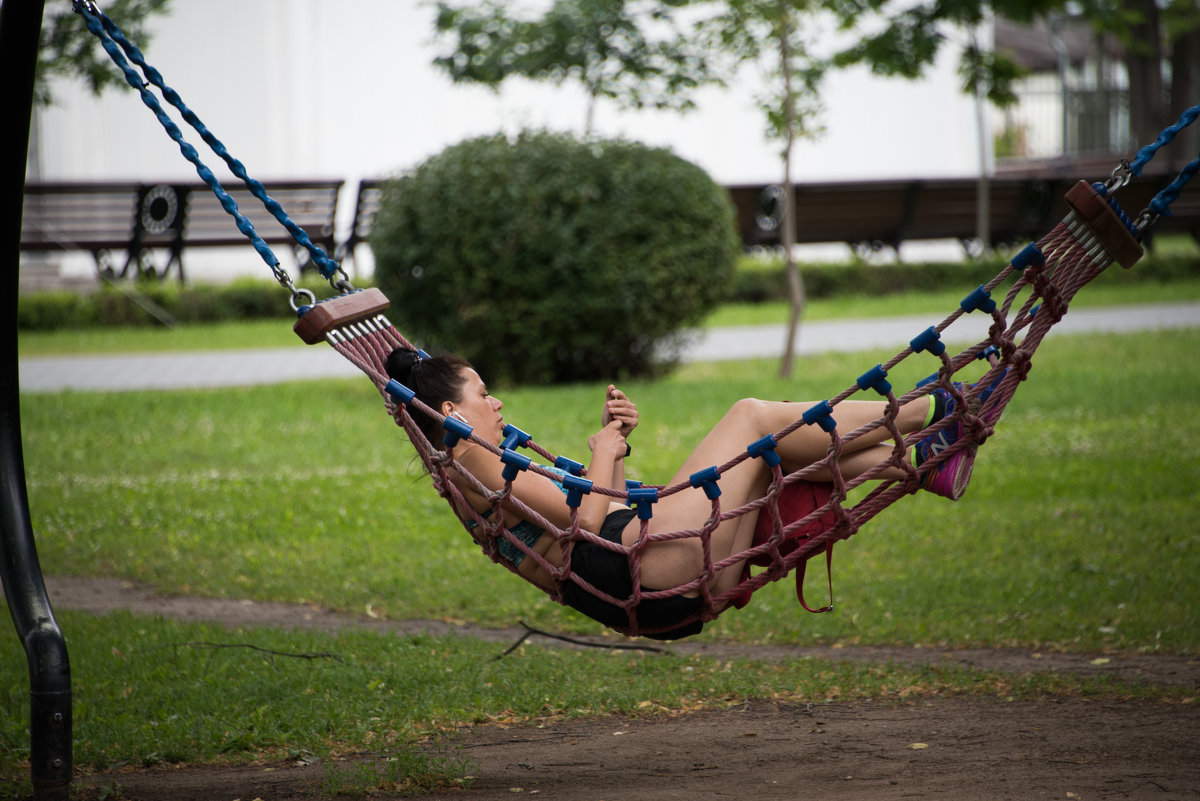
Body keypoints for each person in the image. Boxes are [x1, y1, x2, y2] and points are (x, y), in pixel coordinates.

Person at [384, 347, 978, 639]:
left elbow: (595, 518)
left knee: (766, 458)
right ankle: (932, 409)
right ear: (448, 412)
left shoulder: (466, 471)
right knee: (750, 418)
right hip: (652, 566)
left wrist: (613, 444)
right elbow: (587, 528)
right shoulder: (478, 463)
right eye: (482, 395)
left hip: (653, 582)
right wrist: (600, 455)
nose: (496, 404)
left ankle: (925, 461)